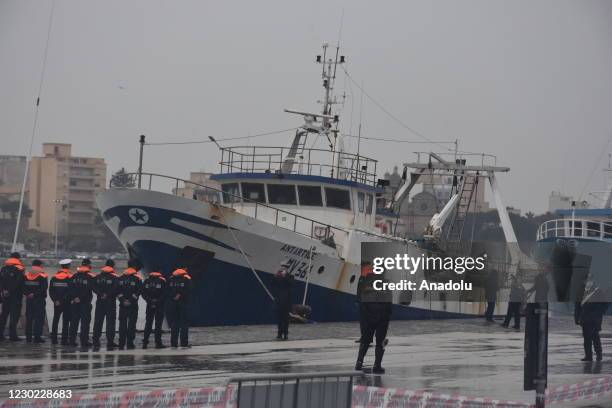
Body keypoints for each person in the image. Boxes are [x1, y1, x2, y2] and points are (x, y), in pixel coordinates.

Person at [355, 264, 392, 374]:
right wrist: (387, 317)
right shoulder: (385, 283)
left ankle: (359, 362)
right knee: (380, 342)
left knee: (365, 341)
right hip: (381, 318)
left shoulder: (364, 281)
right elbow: (389, 304)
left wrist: (364, 317)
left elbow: (360, 300)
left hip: (367, 317)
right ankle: (377, 365)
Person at [92, 259, 119, 350]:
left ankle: (95, 340)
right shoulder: (115, 277)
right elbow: (116, 289)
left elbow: (94, 287)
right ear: (112, 266)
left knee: (98, 321)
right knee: (110, 322)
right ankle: (110, 342)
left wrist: (100, 294)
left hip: (100, 301)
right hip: (110, 302)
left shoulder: (98, 277)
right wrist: (107, 295)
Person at [576, 288, 609, 362]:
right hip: (584, 319)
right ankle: (588, 356)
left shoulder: (598, 291)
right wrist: (577, 318)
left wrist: (596, 314)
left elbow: (605, 305)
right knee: (586, 338)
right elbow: (578, 305)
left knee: (595, 337)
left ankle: (598, 354)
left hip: (594, 319)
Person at [69, 258, 95, 348]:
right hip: (85, 303)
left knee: (74, 322)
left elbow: (70, 288)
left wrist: (74, 298)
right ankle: (84, 342)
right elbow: (88, 290)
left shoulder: (74, 276)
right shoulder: (90, 276)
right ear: (89, 266)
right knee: (85, 323)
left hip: (75, 303)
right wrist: (80, 298)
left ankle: (72, 341)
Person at [117, 259, 142, 350]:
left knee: (122, 324)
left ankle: (121, 343)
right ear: (135, 267)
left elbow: (118, 292)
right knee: (132, 324)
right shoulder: (137, 279)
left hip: (122, 305)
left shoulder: (120, 278)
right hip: (133, 306)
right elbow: (138, 292)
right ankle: (130, 343)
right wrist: (130, 300)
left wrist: (123, 300)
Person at [0, 252, 25, 341]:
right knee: (14, 316)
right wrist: (10, 291)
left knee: (4, 315)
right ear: (18, 258)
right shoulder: (20, 269)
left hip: (5, 296)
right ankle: (12, 336)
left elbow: (1, 281)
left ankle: (0, 335)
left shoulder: (3, 268)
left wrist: (3, 291)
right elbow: (18, 282)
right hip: (16, 296)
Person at [22, 260, 48, 343]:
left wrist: (28, 294)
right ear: (40, 265)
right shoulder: (43, 275)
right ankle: (37, 337)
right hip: (39, 300)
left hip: (29, 299)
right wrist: (35, 294)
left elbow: (22, 287)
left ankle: (28, 337)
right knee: (39, 318)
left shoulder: (26, 275)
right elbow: (43, 288)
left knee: (29, 318)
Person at [49, 259, 73, 345]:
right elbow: (70, 291)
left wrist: (56, 300)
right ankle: (64, 340)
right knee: (65, 322)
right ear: (69, 266)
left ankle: (54, 340)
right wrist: (62, 300)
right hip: (66, 303)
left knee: (55, 320)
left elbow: (51, 291)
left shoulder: (54, 277)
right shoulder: (70, 277)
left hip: (56, 303)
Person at [142, 268, 167, 349]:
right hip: (159, 306)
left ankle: (145, 343)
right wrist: (157, 302)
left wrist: (150, 302)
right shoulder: (162, 281)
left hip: (149, 306)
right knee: (158, 325)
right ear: (159, 272)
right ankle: (158, 343)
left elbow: (143, 293)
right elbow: (165, 294)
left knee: (148, 324)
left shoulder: (147, 281)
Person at [168, 267, 192, 348]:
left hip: (173, 304)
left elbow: (168, 291)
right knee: (184, 323)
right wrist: (180, 295)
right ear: (185, 270)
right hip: (184, 304)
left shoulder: (171, 279)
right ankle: (184, 343)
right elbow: (189, 290)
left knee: (174, 323)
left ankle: (173, 344)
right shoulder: (187, 278)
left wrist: (174, 297)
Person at [272, 260, 293, 340]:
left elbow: (291, 284)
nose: (283, 268)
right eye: (282, 267)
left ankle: (286, 334)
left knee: (286, 319)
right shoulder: (278, 276)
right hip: (279, 300)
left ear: (287, 269)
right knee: (279, 318)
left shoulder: (290, 276)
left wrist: (285, 276)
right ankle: (279, 333)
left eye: (284, 267)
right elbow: (272, 284)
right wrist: (274, 276)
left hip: (287, 301)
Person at [355, 261, 373, 343]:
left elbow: (361, 289)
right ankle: (366, 338)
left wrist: (358, 300)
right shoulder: (367, 274)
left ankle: (366, 338)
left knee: (365, 321)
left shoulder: (366, 274)